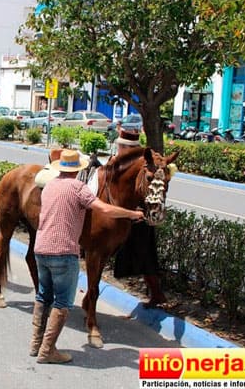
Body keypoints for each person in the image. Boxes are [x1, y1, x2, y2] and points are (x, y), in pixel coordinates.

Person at [31, 149, 144, 364]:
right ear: (78, 170)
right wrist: (132, 214)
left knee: (43, 297)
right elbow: (105, 210)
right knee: (62, 303)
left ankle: (35, 344)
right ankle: (47, 351)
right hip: (63, 253)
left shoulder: (49, 187)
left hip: (41, 250)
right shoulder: (78, 188)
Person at [111, 129, 167, 307]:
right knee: (144, 255)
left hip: (138, 216)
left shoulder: (139, 166)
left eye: (121, 147)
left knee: (146, 256)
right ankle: (156, 293)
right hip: (134, 215)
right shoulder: (131, 163)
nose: (119, 149)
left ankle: (157, 294)